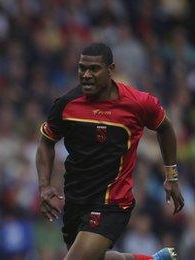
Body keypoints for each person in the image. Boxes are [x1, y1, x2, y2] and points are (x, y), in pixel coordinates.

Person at [36, 43, 184, 260]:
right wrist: (44, 185)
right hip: (76, 198)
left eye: (94, 69)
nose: (86, 75)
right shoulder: (67, 105)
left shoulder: (138, 103)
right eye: (82, 68)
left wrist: (171, 177)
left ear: (110, 69)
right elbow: (46, 142)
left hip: (112, 201)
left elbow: (165, 128)